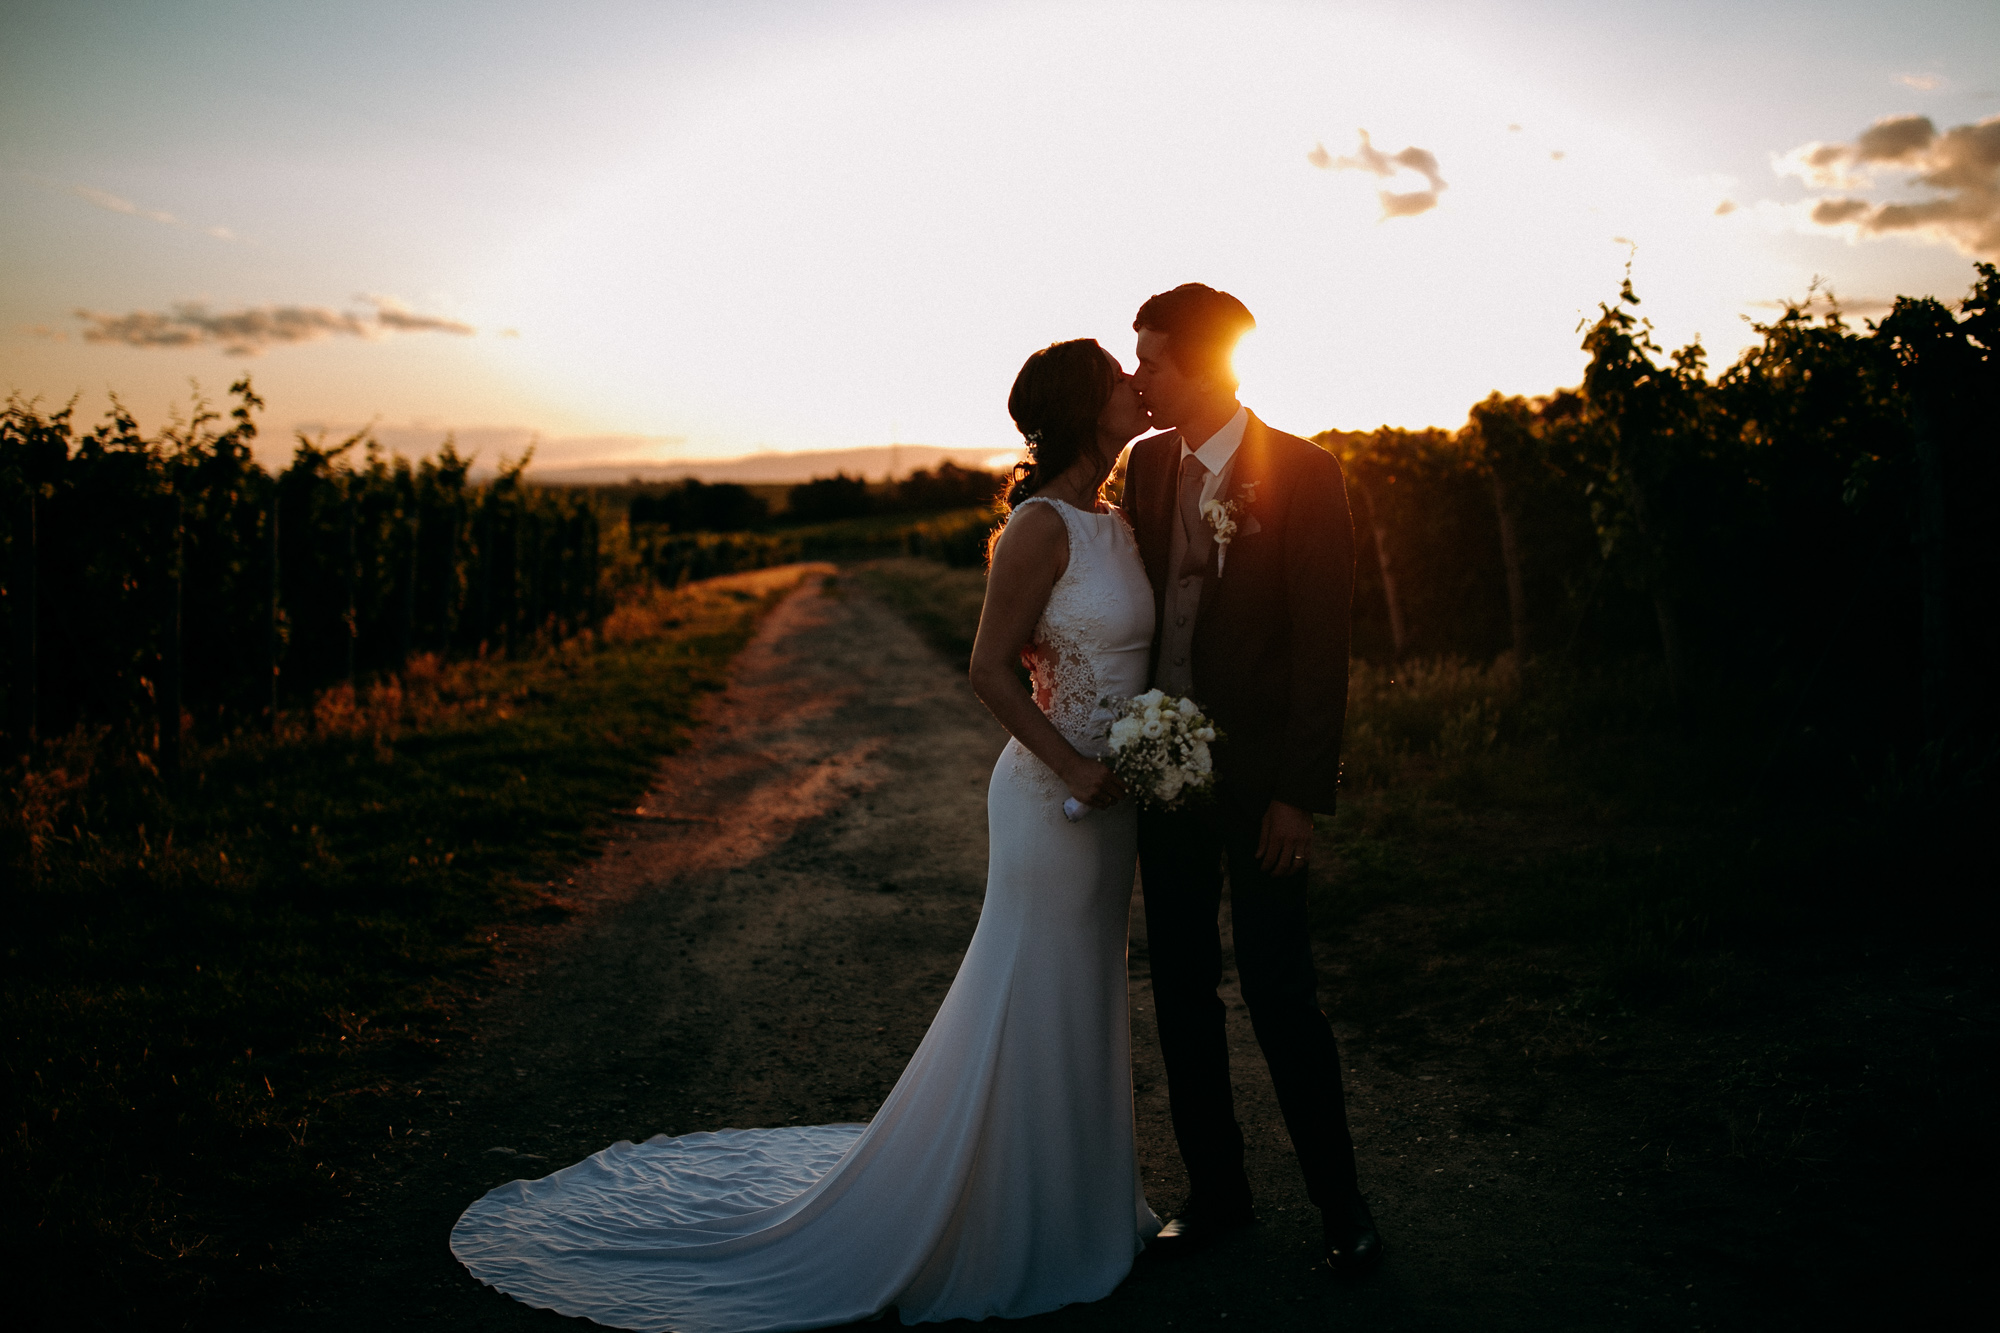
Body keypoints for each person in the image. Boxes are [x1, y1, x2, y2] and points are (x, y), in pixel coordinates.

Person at [449, 339, 1160, 1331]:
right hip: (1055, 797)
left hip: (1117, 800)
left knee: (1086, 988)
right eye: (1122, 380)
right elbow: (988, 668)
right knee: (1033, 983)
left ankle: (1081, 1207)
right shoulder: (1041, 526)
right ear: (1088, 407)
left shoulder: (1120, 521)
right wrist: (1076, 762)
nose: (1139, 386)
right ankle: (1011, 1221)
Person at [1121, 283, 1382, 1274]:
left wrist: (1297, 795)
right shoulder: (1144, 469)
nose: (1137, 377)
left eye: (1149, 359)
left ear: (1202, 364)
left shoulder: (1305, 474)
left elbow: (1325, 645)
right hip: (1163, 775)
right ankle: (1216, 1193)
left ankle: (1340, 1202)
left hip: (1263, 782)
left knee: (1280, 990)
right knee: (1181, 988)